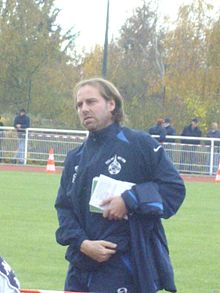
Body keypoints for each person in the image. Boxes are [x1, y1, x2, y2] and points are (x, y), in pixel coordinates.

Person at [55, 78, 185, 293]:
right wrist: (83, 243)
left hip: (125, 266)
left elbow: (173, 190)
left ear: (111, 104)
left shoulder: (140, 144)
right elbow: (64, 208)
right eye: (79, 105)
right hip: (80, 266)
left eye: (91, 102)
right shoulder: (75, 157)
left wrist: (129, 200)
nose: (84, 109)